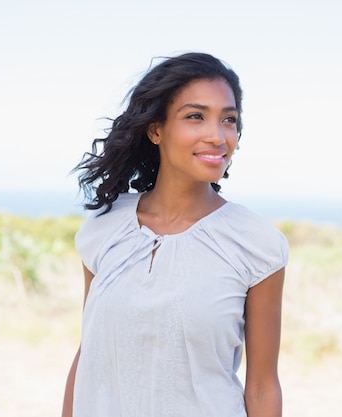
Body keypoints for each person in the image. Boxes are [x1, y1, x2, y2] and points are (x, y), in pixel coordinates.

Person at [62, 52, 288, 417]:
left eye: (228, 120)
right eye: (195, 116)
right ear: (156, 129)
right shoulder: (105, 230)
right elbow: (90, 354)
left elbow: (262, 386)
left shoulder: (257, 245)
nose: (217, 136)